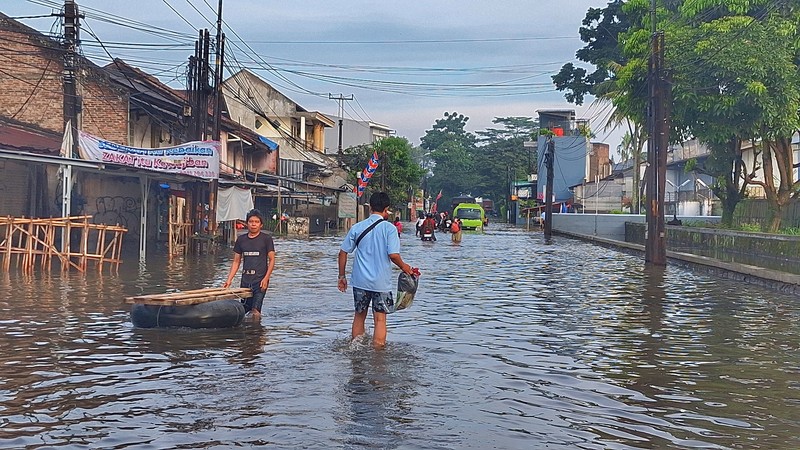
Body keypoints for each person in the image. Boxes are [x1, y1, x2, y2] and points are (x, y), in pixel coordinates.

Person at [338, 192, 415, 348]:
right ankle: (378, 357)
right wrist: (405, 267)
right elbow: (393, 255)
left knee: (359, 316)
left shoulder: (357, 227)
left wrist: (341, 276)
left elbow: (343, 252)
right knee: (380, 319)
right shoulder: (390, 229)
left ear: (370, 207)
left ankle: (356, 351)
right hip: (381, 283)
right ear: (386, 209)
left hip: (360, 281)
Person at [223, 209, 276, 320]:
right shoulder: (241, 240)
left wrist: (266, 278)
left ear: (261, 225)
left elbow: (272, 260)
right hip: (246, 280)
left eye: (256, 222)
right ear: (247, 223)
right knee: (245, 309)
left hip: (260, 281)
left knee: (255, 311)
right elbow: (236, 261)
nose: (253, 224)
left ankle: (257, 335)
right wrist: (229, 280)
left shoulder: (266, 239)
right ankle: (245, 335)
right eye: (251, 221)